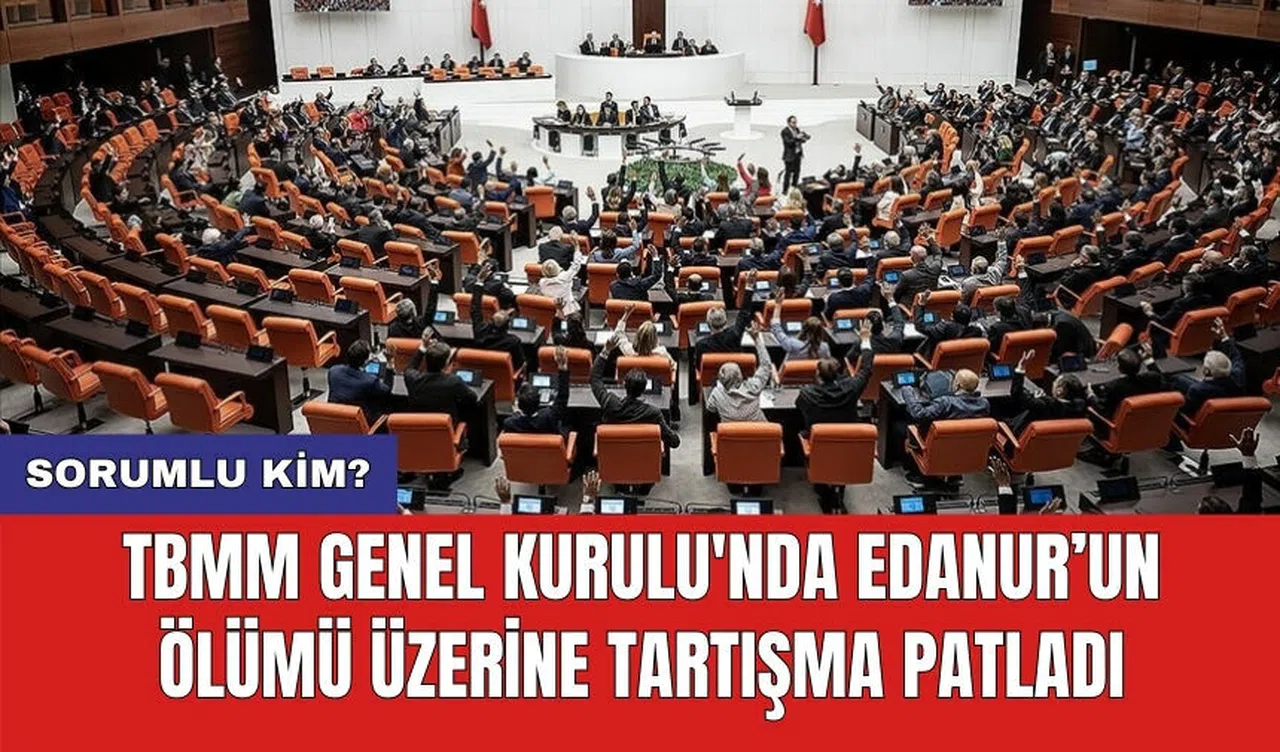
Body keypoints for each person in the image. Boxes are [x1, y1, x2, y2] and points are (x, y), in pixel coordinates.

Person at [900, 368, 991, 486]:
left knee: (902, 428)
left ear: (957, 385)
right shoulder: (984, 404)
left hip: (938, 451)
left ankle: (922, 477)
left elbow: (919, 414)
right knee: (956, 441)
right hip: (965, 452)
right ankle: (954, 475)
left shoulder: (946, 403)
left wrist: (908, 392)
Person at [592, 335, 681, 451]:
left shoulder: (610, 403)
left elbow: (595, 379)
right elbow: (674, 442)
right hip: (643, 460)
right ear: (643, 389)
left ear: (624, 384)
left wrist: (605, 351)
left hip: (613, 457)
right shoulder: (653, 413)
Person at [796, 320, 876, 430]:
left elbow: (799, 406)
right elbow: (866, 369)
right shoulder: (852, 388)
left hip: (819, 438)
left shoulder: (807, 394)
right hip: (848, 435)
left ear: (818, 374)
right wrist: (865, 341)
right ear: (837, 373)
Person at [1168, 318, 1244, 420]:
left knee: (1174, 382)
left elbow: (1185, 410)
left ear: (1206, 371)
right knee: (1177, 379)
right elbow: (1236, 356)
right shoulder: (1238, 375)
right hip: (1224, 408)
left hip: (1195, 417)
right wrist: (1223, 335)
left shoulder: (1197, 390)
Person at [1003, 349, 1088, 436]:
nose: (1053, 383)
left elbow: (1016, 394)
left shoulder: (1043, 405)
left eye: (1056, 382)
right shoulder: (1079, 408)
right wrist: (1041, 399)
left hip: (1021, 437)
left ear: (1060, 391)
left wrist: (1021, 367)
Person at [404, 333, 479, 425]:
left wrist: (423, 346)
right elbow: (473, 398)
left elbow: (409, 368)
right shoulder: (454, 382)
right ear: (446, 363)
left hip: (420, 429)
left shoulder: (413, 379)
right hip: (447, 430)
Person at [705, 325, 773, 422]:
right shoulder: (753, 387)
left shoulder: (717, 394)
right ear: (740, 376)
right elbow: (766, 365)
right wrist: (756, 339)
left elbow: (710, 408)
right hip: (760, 431)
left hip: (731, 432)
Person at [504, 345, 571, 436]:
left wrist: (516, 413)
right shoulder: (549, 417)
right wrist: (562, 367)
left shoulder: (510, 423)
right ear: (539, 402)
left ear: (518, 405)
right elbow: (563, 396)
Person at [467, 271, 526, 372]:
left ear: (491, 321)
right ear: (508, 325)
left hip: (483, 373)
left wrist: (479, 282)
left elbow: (475, 308)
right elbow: (520, 364)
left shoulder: (480, 331)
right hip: (504, 376)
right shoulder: (513, 341)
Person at [326, 340, 391, 422]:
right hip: (359, 423)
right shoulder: (370, 381)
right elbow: (386, 390)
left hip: (333, 420)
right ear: (365, 362)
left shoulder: (333, 371)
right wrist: (389, 368)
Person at [780, 116, 810, 193]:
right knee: (788, 174)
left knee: (797, 173)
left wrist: (804, 138)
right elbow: (788, 142)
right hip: (789, 156)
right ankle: (785, 190)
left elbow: (800, 141)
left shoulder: (797, 129)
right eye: (793, 122)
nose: (795, 124)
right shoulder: (784, 131)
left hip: (797, 154)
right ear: (789, 123)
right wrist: (797, 137)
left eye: (796, 122)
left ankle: (794, 189)